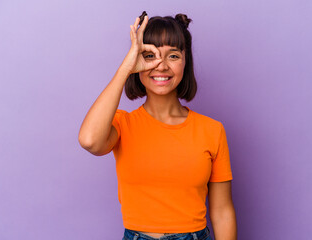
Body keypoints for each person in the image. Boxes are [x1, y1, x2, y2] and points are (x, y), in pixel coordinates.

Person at [78, 11, 237, 240]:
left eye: (172, 56)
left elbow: (222, 211)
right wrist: (126, 67)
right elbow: (89, 141)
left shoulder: (212, 130)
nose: (161, 66)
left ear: (185, 61)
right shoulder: (122, 123)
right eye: (149, 56)